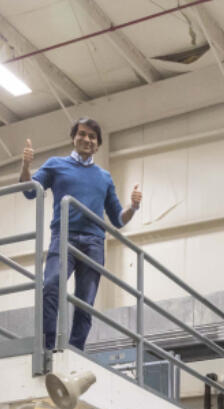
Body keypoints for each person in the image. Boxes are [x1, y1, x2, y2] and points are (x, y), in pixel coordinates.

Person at [19, 117, 143, 351]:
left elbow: (117, 219)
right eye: (83, 134)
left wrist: (133, 207)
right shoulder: (56, 164)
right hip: (63, 237)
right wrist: (26, 166)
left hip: (94, 243)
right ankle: (47, 345)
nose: (87, 139)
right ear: (74, 138)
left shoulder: (104, 177)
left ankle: (75, 349)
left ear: (97, 145)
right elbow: (29, 192)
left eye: (92, 137)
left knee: (85, 301)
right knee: (51, 286)